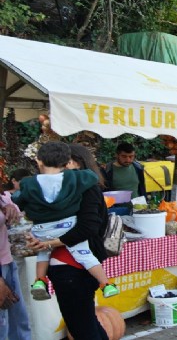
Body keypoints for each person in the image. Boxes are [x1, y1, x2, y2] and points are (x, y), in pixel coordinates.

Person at [26, 143, 110, 340]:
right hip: (71, 266)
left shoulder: (85, 189)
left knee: (82, 327)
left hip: (73, 266)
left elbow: (87, 227)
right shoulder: (67, 189)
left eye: (60, 164)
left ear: (73, 163)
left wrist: (48, 243)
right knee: (86, 323)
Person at [16, 142, 118, 301]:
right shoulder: (75, 178)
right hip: (67, 226)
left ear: (39, 161)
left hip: (42, 229)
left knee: (43, 253)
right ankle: (106, 284)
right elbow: (91, 176)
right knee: (86, 256)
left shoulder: (29, 183)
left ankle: (39, 281)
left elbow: (19, 200)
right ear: (66, 162)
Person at [0, 191, 31, 340]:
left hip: (7, 263)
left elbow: (18, 217)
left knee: (18, 320)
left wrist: (9, 206)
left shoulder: (3, 197)